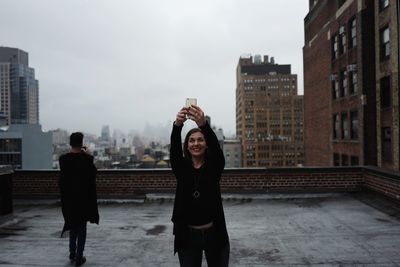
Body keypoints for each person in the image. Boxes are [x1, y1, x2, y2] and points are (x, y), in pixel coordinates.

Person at [170, 105, 230, 267]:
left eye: (200, 139)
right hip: (187, 235)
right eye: (192, 140)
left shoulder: (214, 167)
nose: (196, 143)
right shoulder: (181, 168)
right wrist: (177, 125)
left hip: (214, 233)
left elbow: (217, 151)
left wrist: (203, 124)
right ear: (187, 146)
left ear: (206, 144)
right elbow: (174, 152)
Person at [59, 132, 99, 266]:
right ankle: (79, 256)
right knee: (81, 228)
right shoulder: (86, 159)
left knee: (72, 224)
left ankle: (72, 251)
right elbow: (93, 174)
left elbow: (62, 180)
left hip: (69, 199)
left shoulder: (63, 160)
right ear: (82, 143)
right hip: (83, 199)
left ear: (70, 143)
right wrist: (88, 155)